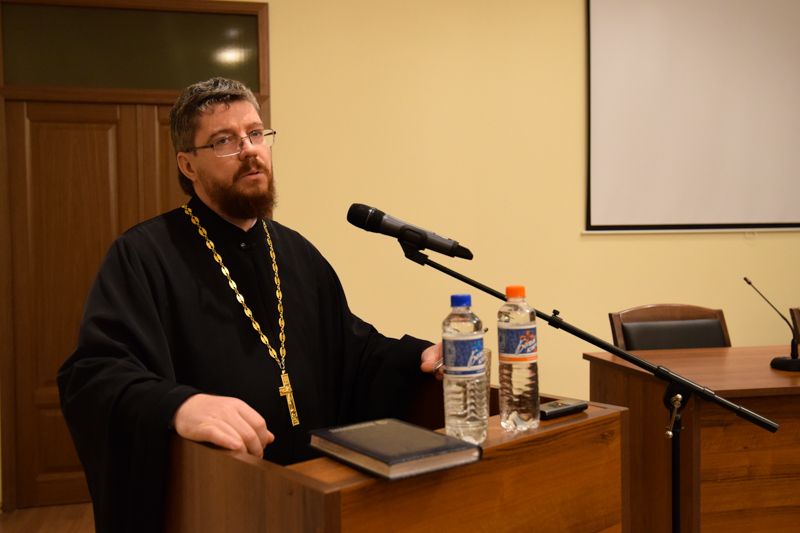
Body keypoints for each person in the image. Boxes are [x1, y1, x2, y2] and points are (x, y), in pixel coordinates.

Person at [58, 77, 444, 533]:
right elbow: (95, 375)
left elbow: (352, 350)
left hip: (312, 496)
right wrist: (179, 406)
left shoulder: (296, 252)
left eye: (256, 134)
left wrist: (418, 356)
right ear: (188, 165)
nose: (249, 150)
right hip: (217, 506)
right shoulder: (143, 255)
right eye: (224, 140)